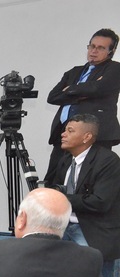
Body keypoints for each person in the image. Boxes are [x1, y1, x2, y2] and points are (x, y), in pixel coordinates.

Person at [44, 113, 120, 277]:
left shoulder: (108, 161)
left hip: (92, 230)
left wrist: (61, 198)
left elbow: (100, 202)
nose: (63, 134)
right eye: (65, 130)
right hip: (63, 227)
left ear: (86, 137)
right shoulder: (65, 160)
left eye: (70, 131)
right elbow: (58, 189)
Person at [44, 28, 120, 184]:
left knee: (88, 182)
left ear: (111, 51)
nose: (94, 51)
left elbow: (98, 88)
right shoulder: (74, 72)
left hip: (95, 135)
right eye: (92, 46)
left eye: (101, 48)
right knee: (53, 181)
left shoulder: (115, 69)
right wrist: (81, 93)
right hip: (64, 133)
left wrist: (70, 89)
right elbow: (53, 97)